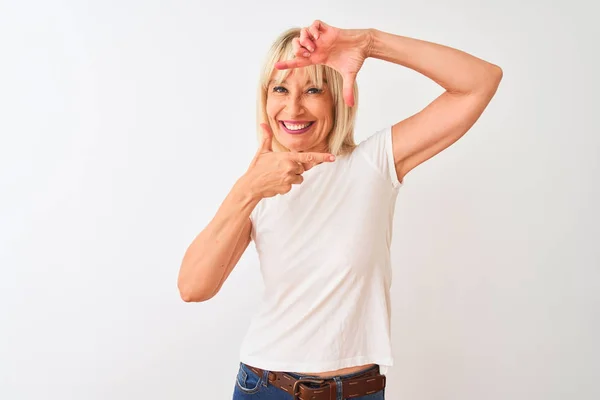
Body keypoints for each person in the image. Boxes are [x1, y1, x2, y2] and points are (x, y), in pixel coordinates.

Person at [177, 20, 502, 400]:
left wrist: (370, 42)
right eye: (280, 88)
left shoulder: (375, 163)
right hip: (265, 387)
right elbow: (192, 287)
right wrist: (247, 190)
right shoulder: (256, 185)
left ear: (337, 96)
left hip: (357, 391)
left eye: (313, 89)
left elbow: (480, 81)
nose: (293, 107)